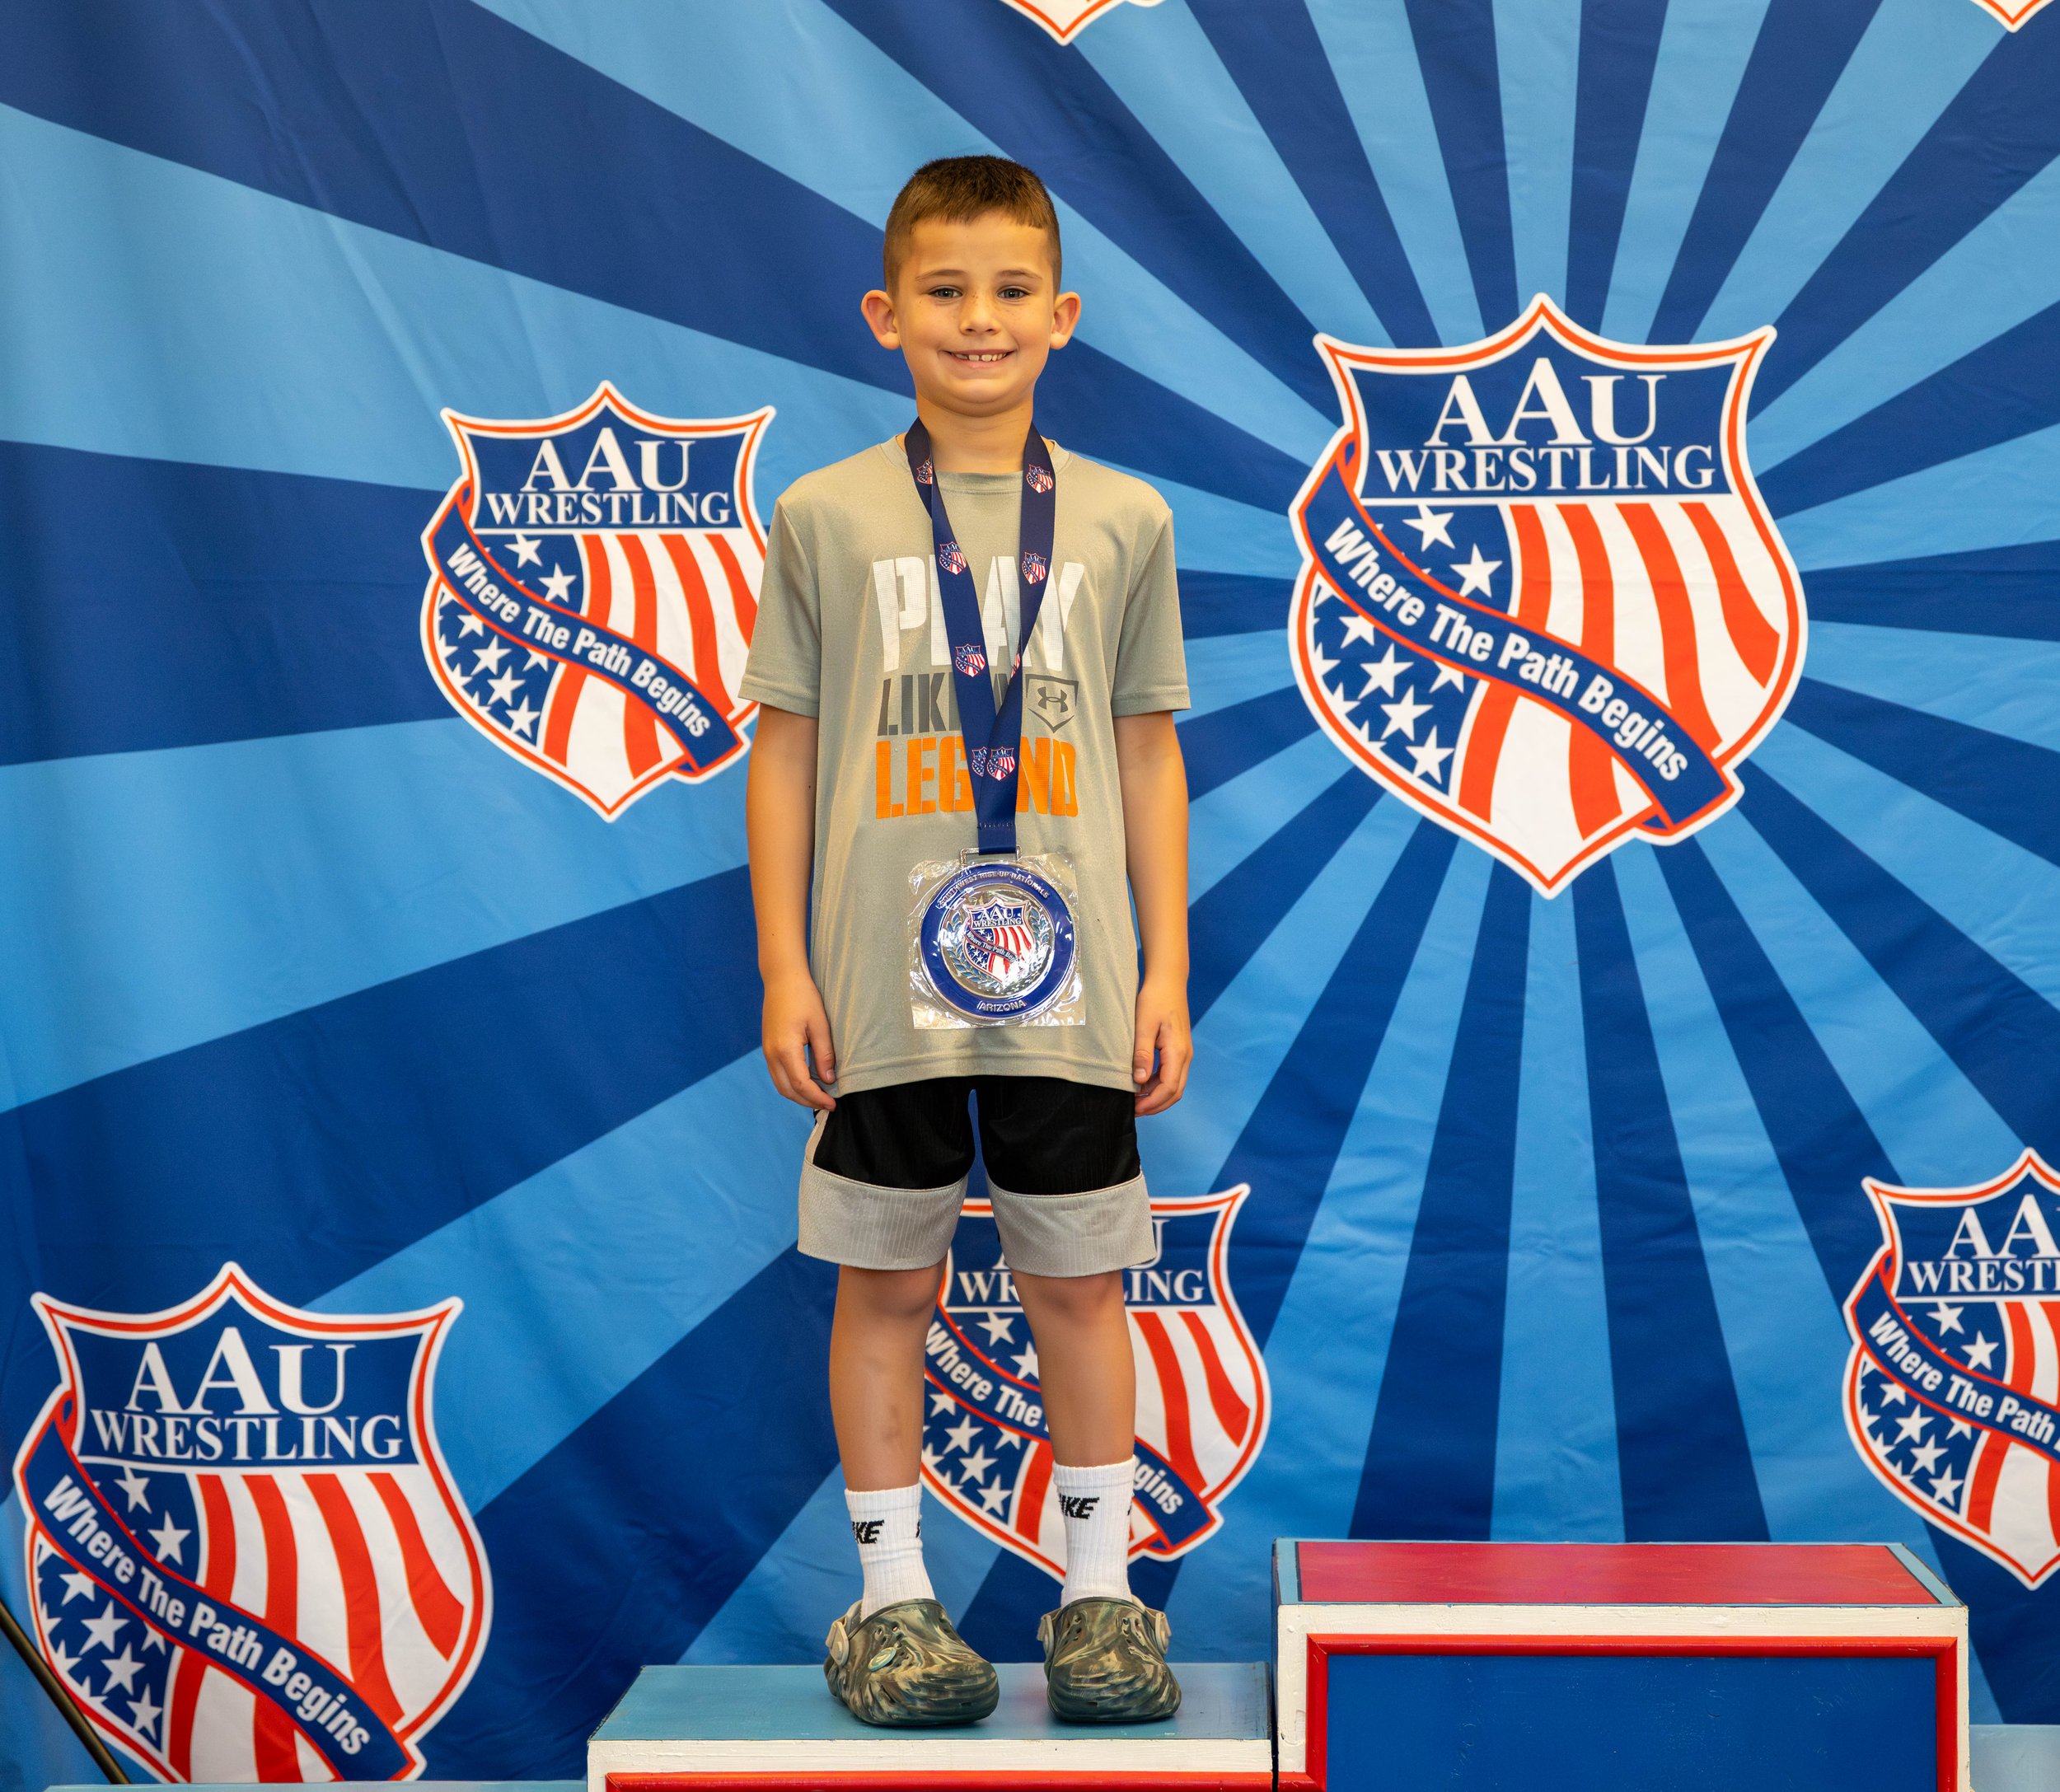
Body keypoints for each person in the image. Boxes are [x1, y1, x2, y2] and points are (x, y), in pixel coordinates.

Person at [738, 155, 1192, 1729]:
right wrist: (789, 968)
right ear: (886, 314)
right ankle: (892, 1603)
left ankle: (1098, 1600)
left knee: (1081, 1289)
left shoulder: (1126, 518)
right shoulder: (825, 511)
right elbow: (783, 748)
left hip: (1076, 981)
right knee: (890, 1287)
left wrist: (1168, 969)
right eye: (944, 290)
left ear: (1062, 318)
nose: (978, 321)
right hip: (877, 979)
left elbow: (1147, 750)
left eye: (1010, 292)